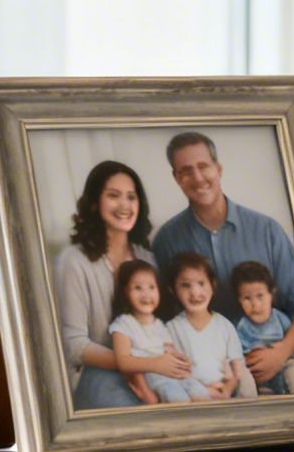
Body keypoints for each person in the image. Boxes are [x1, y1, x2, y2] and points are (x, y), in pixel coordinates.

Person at [151, 131, 294, 391]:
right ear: (176, 178)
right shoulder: (166, 241)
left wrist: (280, 353)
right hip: (208, 376)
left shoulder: (267, 231)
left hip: (277, 357)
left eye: (203, 166)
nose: (197, 178)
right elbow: (163, 320)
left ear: (218, 169)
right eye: (185, 171)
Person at [52, 160, 186, 410]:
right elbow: (74, 345)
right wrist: (145, 363)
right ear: (94, 203)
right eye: (113, 196)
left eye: (131, 197)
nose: (125, 205)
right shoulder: (73, 262)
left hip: (154, 372)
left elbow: (161, 326)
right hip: (101, 375)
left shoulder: (147, 259)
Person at [107, 260, 209, 404]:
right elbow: (123, 362)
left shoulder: (160, 324)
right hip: (153, 376)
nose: (146, 294)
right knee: (179, 400)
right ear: (125, 291)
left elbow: (169, 350)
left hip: (175, 374)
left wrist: (181, 360)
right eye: (138, 288)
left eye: (151, 287)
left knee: (202, 395)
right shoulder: (123, 324)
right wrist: (152, 374)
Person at [163, 252, 256, 401]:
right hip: (192, 393)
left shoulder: (224, 326)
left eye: (201, 283)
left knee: (246, 380)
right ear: (173, 290)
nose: (195, 292)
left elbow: (237, 366)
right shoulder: (170, 329)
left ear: (212, 286)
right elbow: (174, 371)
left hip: (226, 390)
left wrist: (227, 390)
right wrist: (203, 391)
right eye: (185, 285)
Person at [230, 261, 294, 395]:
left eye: (260, 296)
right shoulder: (238, 326)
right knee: (242, 378)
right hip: (252, 370)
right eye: (247, 298)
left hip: (282, 366)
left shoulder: (281, 320)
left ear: (271, 294)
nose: (255, 305)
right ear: (239, 300)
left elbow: (291, 348)